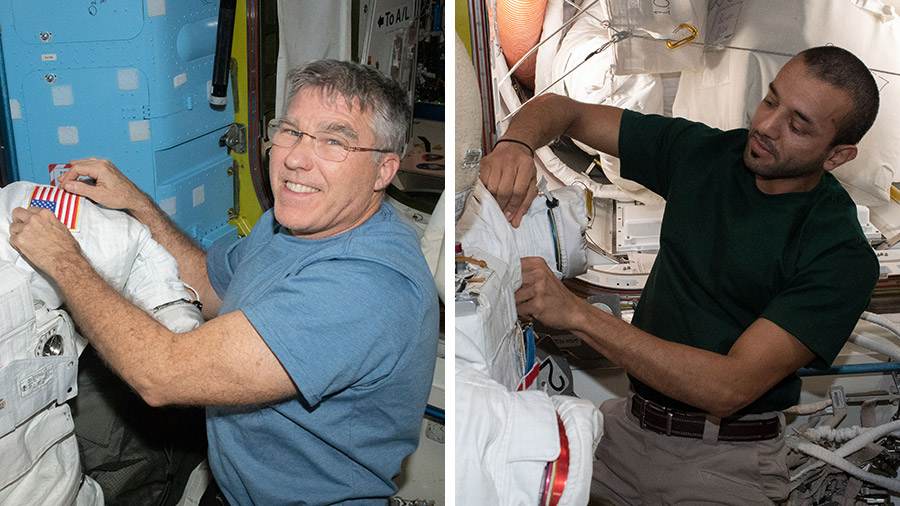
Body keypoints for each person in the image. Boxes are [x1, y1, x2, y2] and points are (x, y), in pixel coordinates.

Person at [8, 59, 439, 505]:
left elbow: (162, 375)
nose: (294, 158)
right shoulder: (293, 225)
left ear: (385, 170)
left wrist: (64, 260)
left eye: (333, 141)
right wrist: (137, 203)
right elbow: (211, 286)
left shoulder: (365, 287)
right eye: (290, 130)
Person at [479, 46, 880, 504]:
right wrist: (516, 145)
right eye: (771, 101)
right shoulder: (707, 154)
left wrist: (577, 315)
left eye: (797, 125)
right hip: (627, 430)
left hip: (727, 463)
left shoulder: (840, 254)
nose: (766, 126)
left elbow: (728, 388)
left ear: (837, 155)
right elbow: (562, 110)